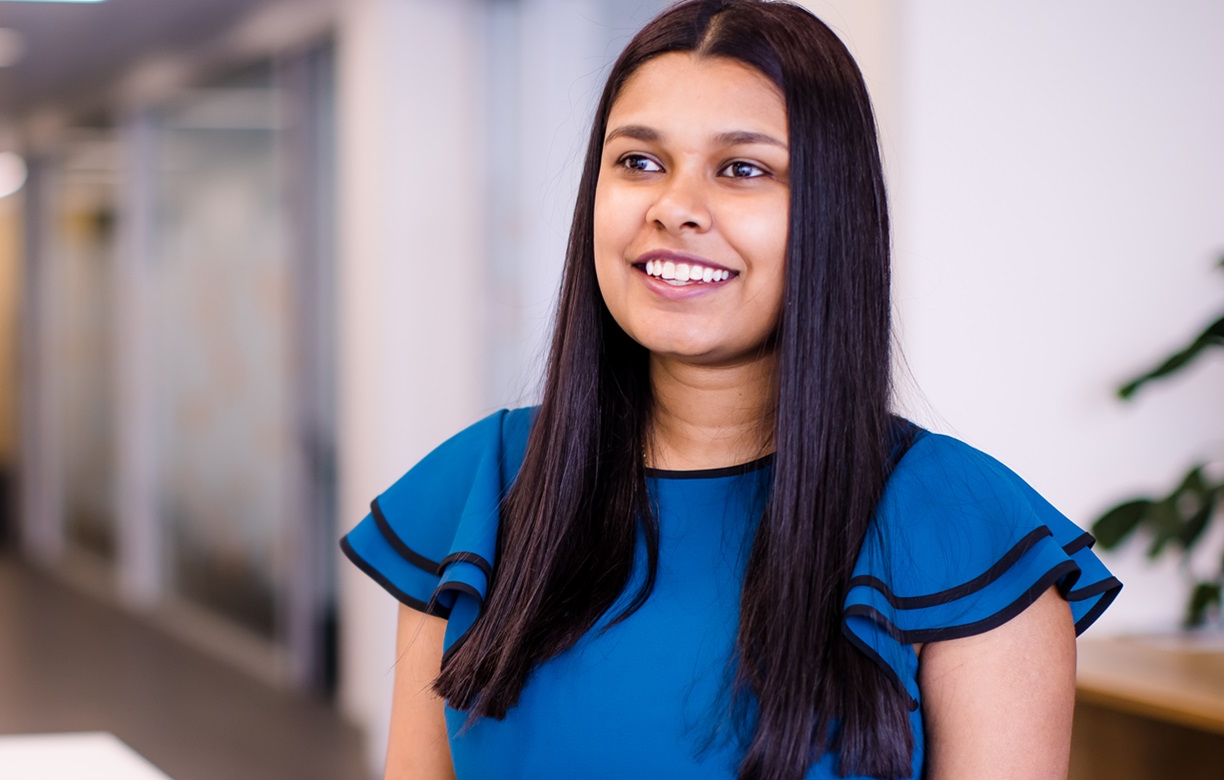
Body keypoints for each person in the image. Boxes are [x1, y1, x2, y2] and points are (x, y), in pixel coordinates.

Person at [339, 1, 1121, 778]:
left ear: (832, 211)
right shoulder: (484, 486)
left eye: (743, 169)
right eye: (638, 162)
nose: (674, 208)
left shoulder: (960, 526)